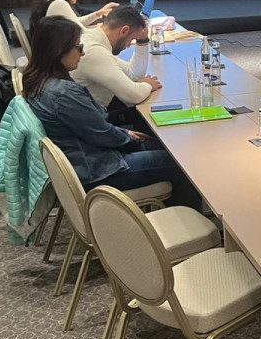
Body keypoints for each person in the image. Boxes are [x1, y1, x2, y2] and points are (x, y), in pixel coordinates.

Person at [22, 17, 198, 208]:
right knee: (181, 161)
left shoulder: (38, 81)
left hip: (84, 159)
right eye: (77, 47)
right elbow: (100, 133)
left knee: (162, 144)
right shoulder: (63, 93)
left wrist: (124, 135)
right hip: (99, 170)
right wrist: (128, 137)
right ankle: (186, 228)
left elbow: (95, 125)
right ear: (58, 51)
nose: (82, 53)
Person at [71, 5, 163, 109]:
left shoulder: (94, 39)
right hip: (93, 120)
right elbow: (133, 96)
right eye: (131, 39)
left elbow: (133, 74)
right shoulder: (94, 51)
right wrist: (149, 84)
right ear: (124, 31)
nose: (128, 45)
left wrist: (142, 41)